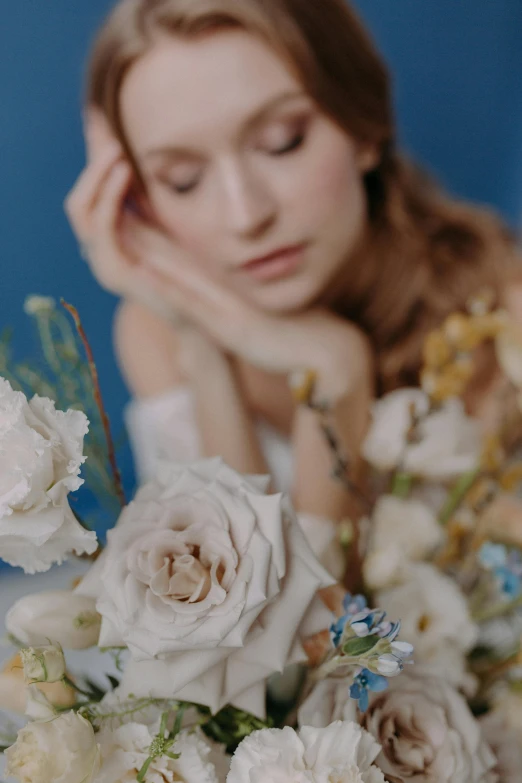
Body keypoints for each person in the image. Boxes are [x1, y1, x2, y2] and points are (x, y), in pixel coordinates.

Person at [65, 0, 521, 577]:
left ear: (364, 126)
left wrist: (340, 377)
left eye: (283, 141)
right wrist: (211, 351)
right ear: (139, 201)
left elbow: (332, 624)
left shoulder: (502, 319)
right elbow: (250, 620)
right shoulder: (159, 328)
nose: (245, 213)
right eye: (182, 179)